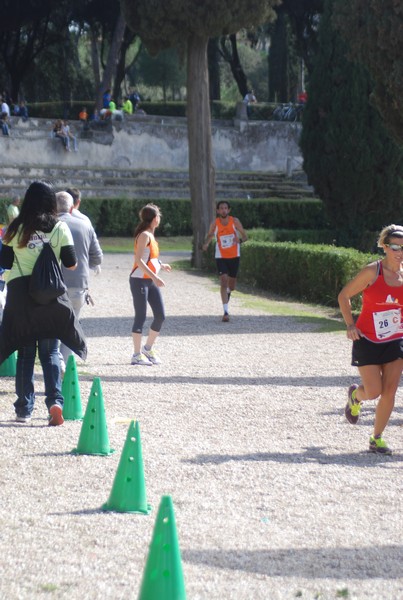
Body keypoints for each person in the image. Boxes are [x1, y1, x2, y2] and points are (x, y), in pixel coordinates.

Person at [0, 181, 87, 425]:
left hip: (20, 297)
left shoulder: (14, 229)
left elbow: (5, 263)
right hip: (50, 296)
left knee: (26, 354)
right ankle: (55, 402)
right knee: (50, 353)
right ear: (50, 202)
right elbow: (70, 263)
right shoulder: (59, 227)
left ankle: (24, 410)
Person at [338, 224, 403, 456]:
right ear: (385, 246)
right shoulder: (371, 272)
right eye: (395, 246)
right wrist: (349, 324)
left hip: (396, 340)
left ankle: (376, 438)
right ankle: (356, 395)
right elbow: (344, 295)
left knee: (390, 390)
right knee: (373, 391)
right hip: (367, 338)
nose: (400, 251)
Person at [56, 191, 103, 368]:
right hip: (78, 284)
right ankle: (64, 364)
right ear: (72, 206)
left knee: (51, 324)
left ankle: (55, 360)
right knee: (70, 326)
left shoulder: (49, 224)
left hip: (53, 284)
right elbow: (97, 257)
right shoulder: (85, 224)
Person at [129, 203, 171, 366]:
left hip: (149, 280)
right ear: (155, 219)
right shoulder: (144, 235)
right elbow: (139, 260)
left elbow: (150, 257)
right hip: (139, 280)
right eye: (158, 216)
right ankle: (136, 355)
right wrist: (155, 277)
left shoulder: (151, 235)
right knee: (141, 316)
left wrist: (161, 263)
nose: (159, 218)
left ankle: (148, 348)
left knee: (160, 315)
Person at [202, 201, 247, 322]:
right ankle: (225, 312)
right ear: (217, 211)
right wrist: (206, 244)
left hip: (234, 256)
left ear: (229, 210)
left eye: (225, 208)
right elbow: (210, 235)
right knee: (223, 281)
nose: (223, 210)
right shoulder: (215, 223)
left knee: (232, 286)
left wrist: (240, 240)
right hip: (221, 256)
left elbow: (245, 236)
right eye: (221, 208)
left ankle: (228, 292)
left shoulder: (235, 221)